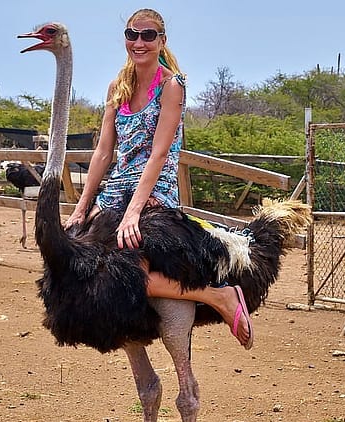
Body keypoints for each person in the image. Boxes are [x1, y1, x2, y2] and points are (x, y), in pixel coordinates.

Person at [64, 8, 254, 348]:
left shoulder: (171, 86)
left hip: (155, 189)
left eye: (148, 35)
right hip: (115, 190)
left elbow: (159, 153)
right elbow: (103, 153)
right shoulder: (116, 87)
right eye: (132, 34)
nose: (139, 42)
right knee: (76, 255)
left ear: (161, 41)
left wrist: (134, 212)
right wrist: (81, 207)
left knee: (125, 267)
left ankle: (218, 296)